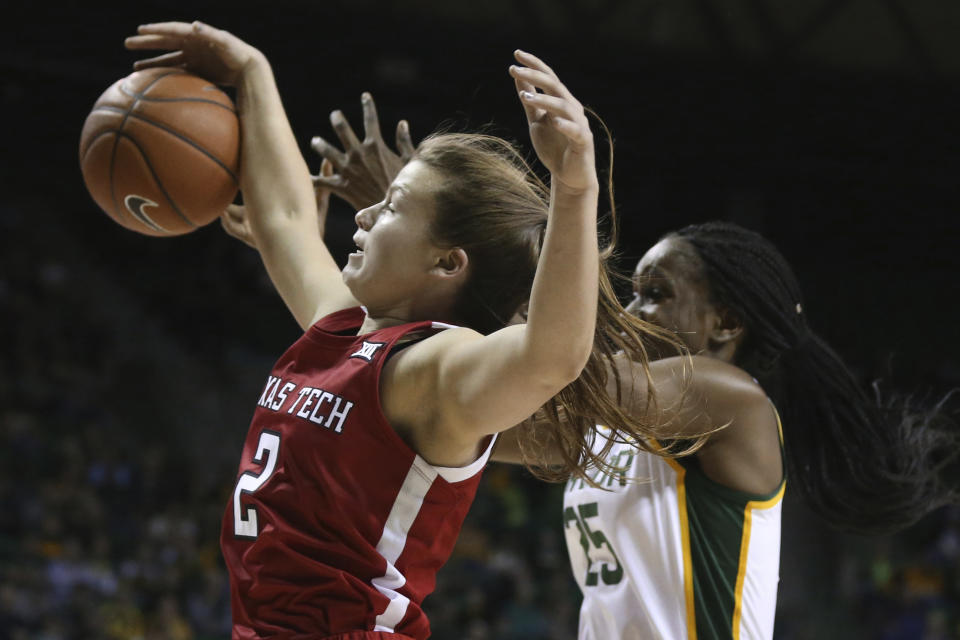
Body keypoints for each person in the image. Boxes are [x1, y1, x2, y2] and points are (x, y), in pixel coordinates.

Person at [303, 101, 959, 638]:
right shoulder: (612, 421)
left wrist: (450, 228)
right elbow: (453, 407)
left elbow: (554, 360)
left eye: (656, 293)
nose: (635, 311)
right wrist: (409, 232)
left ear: (725, 326)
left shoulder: (727, 398)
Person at [124, 21, 676, 640]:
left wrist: (575, 185)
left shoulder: (432, 369)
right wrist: (251, 69)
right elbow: (282, 218)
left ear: (446, 263)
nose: (361, 213)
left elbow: (551, 356)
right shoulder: (340, 332)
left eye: (390, 208)